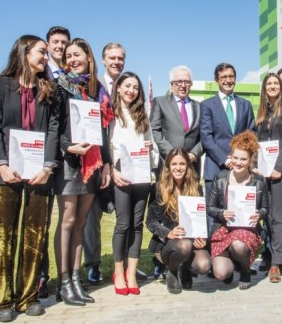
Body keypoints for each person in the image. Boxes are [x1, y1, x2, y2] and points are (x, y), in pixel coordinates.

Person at [0, 35, 61, 321]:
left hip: (40, 176)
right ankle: (3, 300)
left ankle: (28, 297)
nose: (46, 57)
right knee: (4, 237)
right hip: (7, 174)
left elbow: (53, 131)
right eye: (42, 52)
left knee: (34, 237)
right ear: (24, 52)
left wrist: (47, 167)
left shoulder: (48, 89)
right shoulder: (0, 84)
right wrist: (1, 165)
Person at [54, 38, 113, 306]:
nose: (72, 60)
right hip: (69, 161)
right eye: (68, 56)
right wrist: (69, 147)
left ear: (88, 57)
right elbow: (54, 126)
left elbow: (103, 132)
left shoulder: (97, 90)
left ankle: (76, 279)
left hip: (92, 163)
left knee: (80, 223)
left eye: (77, 54)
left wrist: (108, 163)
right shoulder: (60, 86)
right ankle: (64, 281)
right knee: (67, 222)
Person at [109, 72, 159, 295]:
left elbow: (153, 145)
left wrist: (150, 148)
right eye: (127, 86)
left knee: (137, 225)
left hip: (141, 175)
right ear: (118, 87)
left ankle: (132, 273)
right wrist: (111, 171)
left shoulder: (142, 116)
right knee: (123, 224)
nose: (131, 90)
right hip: (121, 174)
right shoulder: (110, 115)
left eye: (135, 87)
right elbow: (105, 148)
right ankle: (118, 272)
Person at [83, 42, 126, 285]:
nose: (116, 62)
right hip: (98, 159)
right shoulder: (93, 87)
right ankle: (93, 265)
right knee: (92, 217)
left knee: (126, 216)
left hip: (124, 160)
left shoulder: (130, 85)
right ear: (103, 59)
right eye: (112, 57)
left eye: (120, 58)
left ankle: (125, 264)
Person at [206, 131, 269, 289]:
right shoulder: (220, 178)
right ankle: (232, 265)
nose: (238, 162)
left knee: (238, 245)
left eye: (243, 159)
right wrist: (222, 213)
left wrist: (259, 214)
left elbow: (265, 208)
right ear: (230, 157)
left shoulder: (259, 181)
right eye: (235, 158)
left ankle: (245, 269)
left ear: (250, 161)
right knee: (221, 273)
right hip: (223, 229)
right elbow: (209, 207)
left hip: (247, 230)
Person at [146, 149, 211, 294]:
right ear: (168, 166)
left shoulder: (196, 188)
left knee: (204, 265)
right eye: (174, 164)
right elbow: (150, 222)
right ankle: (173, 271)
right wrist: (168, 233)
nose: (178, 168)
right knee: (184, 245)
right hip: (167, 243)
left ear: (188, 166)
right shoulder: (158, 188)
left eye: (182, 164)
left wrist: (202, 238)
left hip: (191, 239)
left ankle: (186, 268)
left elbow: (202, 217)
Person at [253, 73, 282, 282]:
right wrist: (255, 165)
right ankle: (278, 256)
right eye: (268, 83)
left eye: (275, 83)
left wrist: (279, 167)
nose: (272, 86)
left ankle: (276, 264)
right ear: (264, 88)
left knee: (278, 217)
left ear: (281, 87)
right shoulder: (262, 113)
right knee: (269, 217)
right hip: (265, 172)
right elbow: (258, 144)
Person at [38, 25, 71, 299]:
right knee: (41, 220)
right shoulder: (40, 72)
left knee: (66, 219)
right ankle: (40, 278)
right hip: (40, 152)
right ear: (48, 44)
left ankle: (66, 277)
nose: (59, 46)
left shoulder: (71, 78)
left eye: (64, 42)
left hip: (66, 160)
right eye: (56, 41)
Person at [200, 63, 255, 200]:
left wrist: (239, 159)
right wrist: (225, 159)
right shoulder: (207, 105)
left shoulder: (245, 105)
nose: (228, 80)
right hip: (215, 166)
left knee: (239, 212)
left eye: (231, 76)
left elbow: (251, 134)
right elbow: (206, 137)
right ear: (216, 80)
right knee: (214, 214)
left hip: (241, 168)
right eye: (223, 77)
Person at [151, 65, 203, 177]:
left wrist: (194, 153)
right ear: (172, 84)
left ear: (191, 84)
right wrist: (174, 155)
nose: (183, 85)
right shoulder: (160, 102)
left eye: (187, 82)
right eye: (179, 82)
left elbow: (205, 136)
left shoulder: (200, 107)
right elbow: (155, 131)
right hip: (168, 164)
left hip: (192, 166)